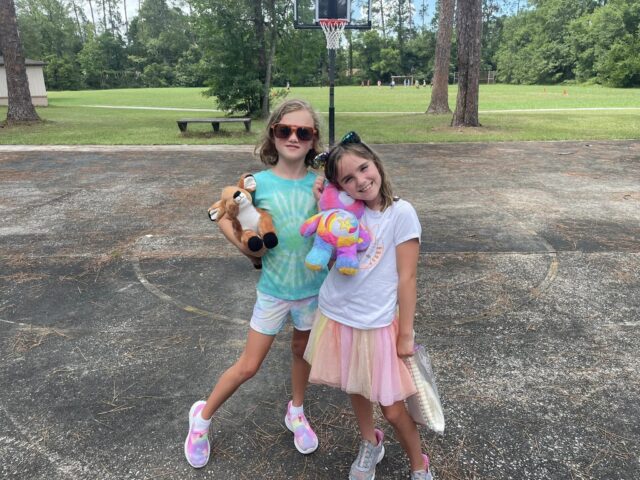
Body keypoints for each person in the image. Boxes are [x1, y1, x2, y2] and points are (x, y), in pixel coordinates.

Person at [184, 99, 327, 469]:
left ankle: (296, 410)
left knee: (302, 352)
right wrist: (252, 254)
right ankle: (201, 419)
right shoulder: (255, 183)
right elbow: (224, 218)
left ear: (313, 140)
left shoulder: (321, 185)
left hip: (313, 291)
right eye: (285, 130)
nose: (293, 137)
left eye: (303, 132)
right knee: (249, 366)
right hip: (274, 292)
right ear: (273, 134)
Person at [304, 131, 433, 480]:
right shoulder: (347, 212)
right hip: (337, 315)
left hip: (376, 325)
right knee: (356, 387)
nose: (361, 180)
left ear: (375, 162)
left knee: (392, 409)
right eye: (348, 178)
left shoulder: (400, 213)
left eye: (363, 168)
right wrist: (325, 202)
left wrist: (405, 334)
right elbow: (332, 254)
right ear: (340, 186)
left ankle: (419, 466)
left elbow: (407, 279)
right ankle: (369, 443)